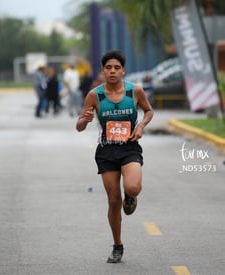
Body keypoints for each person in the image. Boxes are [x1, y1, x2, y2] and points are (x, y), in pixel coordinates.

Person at [75, 50, 154, 263]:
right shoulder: (95, 95)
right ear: (103, 71)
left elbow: (148, 111)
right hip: (107, 151)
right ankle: (118, 245)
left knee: (133, 187)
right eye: (108, 67)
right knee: (113, 201)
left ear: (123, 70)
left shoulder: (134, 91)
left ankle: (131, 197)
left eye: (116, 68)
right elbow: (79, 127)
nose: (112, 71)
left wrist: (141, 126)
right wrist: (85, 119)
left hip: (129, 147)